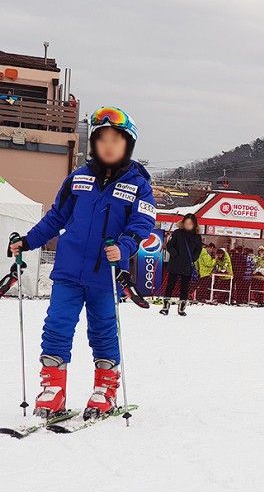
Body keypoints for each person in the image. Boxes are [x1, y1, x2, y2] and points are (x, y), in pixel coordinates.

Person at [8, 106, 155, 420]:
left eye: (116, 139)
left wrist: (126, 246)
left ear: (127, 144)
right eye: (102, 139)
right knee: (57, 327)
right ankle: (52, 389)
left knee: (102, 332)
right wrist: (28, 241)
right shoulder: (78, 178)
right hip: (69, 271)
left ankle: (105, 389)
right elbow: (56, 217)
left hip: (105, 275)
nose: (108, 145)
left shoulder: (139, 185)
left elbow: (142, 225)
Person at [160, 214, 202, 316]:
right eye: (186, 223)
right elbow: (170, 246)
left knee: (185, 287)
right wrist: (175, 255)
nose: (188, 225)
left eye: (190, 223)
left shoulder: (197, 236)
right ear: (183, 223)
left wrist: (192, 259)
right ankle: (165, 307)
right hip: (175, 263)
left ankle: (182, 308)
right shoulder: (178, 233)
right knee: (170, 285)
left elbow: (198, 250)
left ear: (194, 225)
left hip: (187, 265)